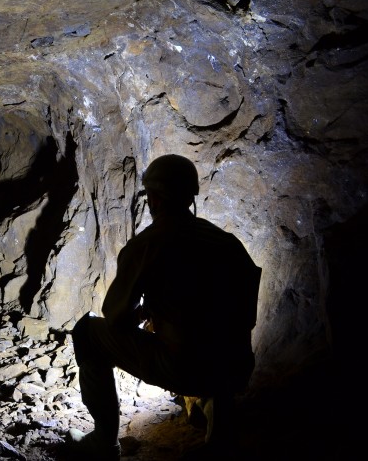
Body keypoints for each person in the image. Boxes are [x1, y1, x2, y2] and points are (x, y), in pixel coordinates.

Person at [67, 154, 261, 460]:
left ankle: (104, 441)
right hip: (235, 369)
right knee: (219, 340)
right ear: (189, 196)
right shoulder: (227, 242)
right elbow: (243, 315)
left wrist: (146, 316)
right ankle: (220, 435)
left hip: (186, 369)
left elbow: (115, 318)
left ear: (154, 198)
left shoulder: (149, 243)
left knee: (88, 332)